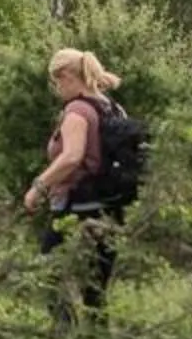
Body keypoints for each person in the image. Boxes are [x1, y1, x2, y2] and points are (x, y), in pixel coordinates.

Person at [22, 48, 124, 320]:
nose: (57, 89)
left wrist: (38, 187)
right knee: (95, 288)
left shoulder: (78, 111)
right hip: (110, 208)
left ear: (67, 76)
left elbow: (72, 156)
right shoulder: (113, 108)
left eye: (57, 82)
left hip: (74, 206)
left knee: (48, 273)